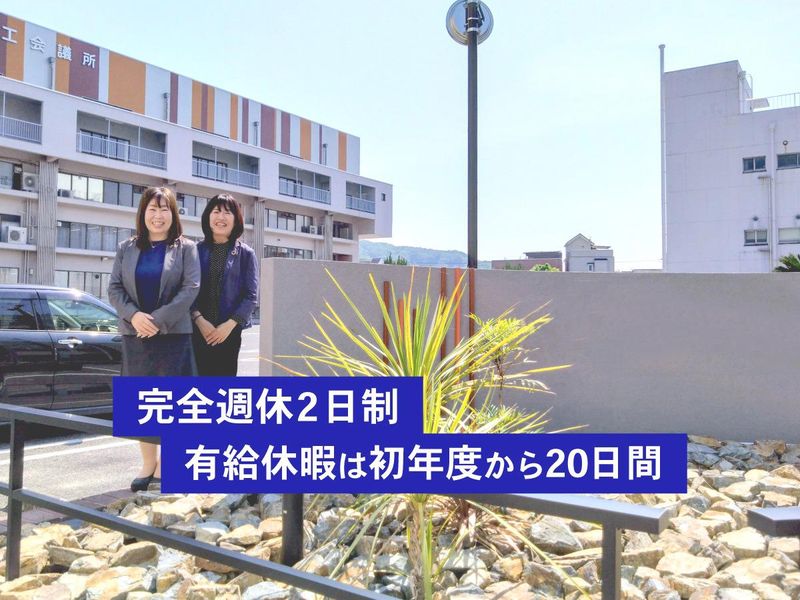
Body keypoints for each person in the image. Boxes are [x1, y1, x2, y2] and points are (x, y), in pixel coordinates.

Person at [108, 186, 200, 492]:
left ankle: (167, 464)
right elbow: (114, 288)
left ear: (173, 214)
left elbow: (190, 289)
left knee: (173, 403)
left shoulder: (186, 248)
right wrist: (135, 316)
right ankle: (148, 464)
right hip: (135, 335)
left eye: (164, 209)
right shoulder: (126, 247)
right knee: (142, 402)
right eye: (152, 209)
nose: (158, 215)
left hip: (173, 336)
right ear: (143, 213)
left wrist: (157, 320)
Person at [191, 193, 258, 376]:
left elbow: (251, 296)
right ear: (208, 216)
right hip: (196, 331)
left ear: (236, 219)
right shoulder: (194, 251)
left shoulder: (246, 254)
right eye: (216, 211)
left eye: (227, 212)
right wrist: (199, 320)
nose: (221, 217)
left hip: (229, 334)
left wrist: (228, 326)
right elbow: (186, 289)